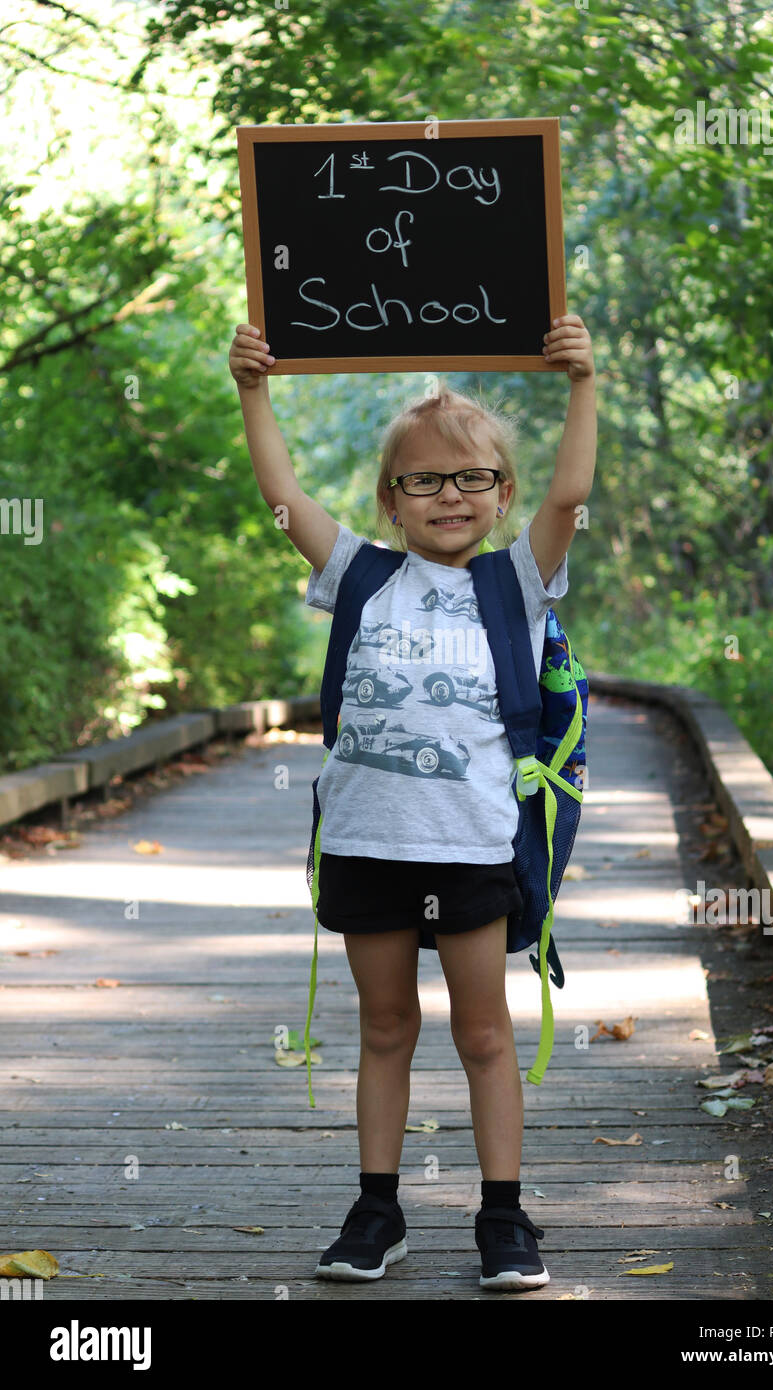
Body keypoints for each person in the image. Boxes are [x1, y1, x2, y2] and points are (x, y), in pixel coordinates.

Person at [229, 316, 597, 1291]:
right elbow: (280, 492)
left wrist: (581, 381)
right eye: (423, 479)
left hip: (469, 845)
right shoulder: (358, 574)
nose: (448, 494)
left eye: (471, 478)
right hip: (363, 841)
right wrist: (252, 389)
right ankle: (377, 1207)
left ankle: (503, 1216)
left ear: (499, 494)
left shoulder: (514, 582)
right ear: (389, 499)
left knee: (482, 1032)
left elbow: (571, 490)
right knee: (384, 1027)